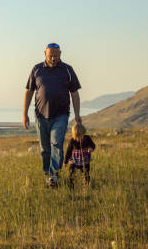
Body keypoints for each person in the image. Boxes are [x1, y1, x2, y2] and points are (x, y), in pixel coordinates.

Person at [23, 43, 82, 187]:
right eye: (51, 56)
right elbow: (29, 91)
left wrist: (77, 114)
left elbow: (74, 93)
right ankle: (47, 175)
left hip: (61, 115)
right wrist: (24, 114)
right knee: (45, 149)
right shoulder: (36, 69)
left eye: (56, 55)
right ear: (45, 54)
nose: (54, 58)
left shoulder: (67, 70)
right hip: (41, 115)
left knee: (56, 143)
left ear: (60, 54)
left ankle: (54, 176)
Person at [64, 123, 96, 188]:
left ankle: (86, 186)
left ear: (84, 133)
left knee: (86, 174)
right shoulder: (72, 140)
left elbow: (93, 145)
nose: (79, 138)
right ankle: (71, 187)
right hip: (74, 160)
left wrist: (91, 148)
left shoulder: (87, 138)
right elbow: (68, 151)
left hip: (85, 160)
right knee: (71, 174)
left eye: (81, 136)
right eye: (77, 136)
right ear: (74, 135)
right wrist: (65, 161)